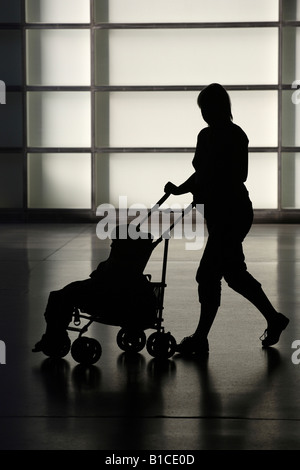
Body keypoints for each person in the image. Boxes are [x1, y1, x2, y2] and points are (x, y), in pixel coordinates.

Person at [164, 83, 289, 356]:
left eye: (207, 108)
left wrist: (206, 184)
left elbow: (237, 175)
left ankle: (200, 338)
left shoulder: (234, 135)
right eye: (202, 110)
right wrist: (181, 189)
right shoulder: (206, 135)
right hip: (222, 214)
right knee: (234, 274)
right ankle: (274, 319)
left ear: (220, 108)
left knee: (207, 274)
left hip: (232, 213)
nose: (205, 114)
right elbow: (201, 173)